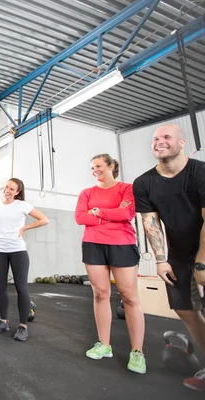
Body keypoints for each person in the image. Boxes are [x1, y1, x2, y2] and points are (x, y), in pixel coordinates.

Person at [133, 124, 205, 391]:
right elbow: (151, 223)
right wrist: (161, 260)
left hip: (204, 250)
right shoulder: (144, 183)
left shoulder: (200, 172)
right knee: (186, 310)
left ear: (182, 143)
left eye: (166, 137)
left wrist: (201, 262)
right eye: (155, 138)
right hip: (177, 255)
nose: (159, 142)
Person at [75, 154, 146, 374]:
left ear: (111, 166)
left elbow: (126, 213)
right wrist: (109, 216)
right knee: (100, 294)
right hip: (93, 244)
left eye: (98, 165)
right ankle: (104, 344)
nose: (94, 169)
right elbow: (80, 217)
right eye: (92, 167)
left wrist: (98, 212)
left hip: (122, 244)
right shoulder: (87, 193)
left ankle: (137, 352)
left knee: (129, 297)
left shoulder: (127, 188)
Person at [0, 178, 49, 341]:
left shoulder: (22, 206)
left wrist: (25, 227)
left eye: (11, 189)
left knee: (21, 288)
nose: (7, 190)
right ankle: (3, 322)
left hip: (18, 251)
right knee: (0, 287)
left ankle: (23, 326)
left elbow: (44, 219)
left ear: (17, 192)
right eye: (6, 187)